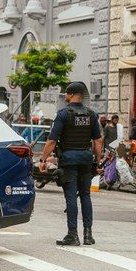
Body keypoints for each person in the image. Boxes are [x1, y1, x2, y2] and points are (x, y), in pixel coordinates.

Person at [38, 82, 103, 246]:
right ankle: (88, 235)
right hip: (86, 160)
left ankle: (72, 235)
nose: (65, 96)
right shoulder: (91, 114)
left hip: (69, 160)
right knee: (86, 196)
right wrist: (98, 161)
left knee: (71, 197)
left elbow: (52, 141)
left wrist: (42, 160)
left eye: (66, 93)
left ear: (70, 94)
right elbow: (98, 141)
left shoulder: (63, 114)